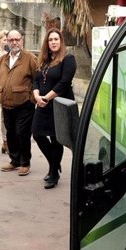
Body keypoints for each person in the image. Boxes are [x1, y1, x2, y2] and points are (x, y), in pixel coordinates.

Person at [32, 28, 77, 189]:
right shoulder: (43, 59)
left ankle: (53, 173)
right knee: (37, 134)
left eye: (56, 39)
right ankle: (54, 165)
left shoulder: (68, 58)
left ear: (61, 41)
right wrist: (37, 96)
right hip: (42, 103)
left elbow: (64, 82)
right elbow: (36, 80)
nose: (53, 42)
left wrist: (47, 97)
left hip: (59, 105)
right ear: (47, 42)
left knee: (56, 139)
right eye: (50, 40)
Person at [0, 29, 38, 176]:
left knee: (22, 133)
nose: (14, 42)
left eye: (17, 39)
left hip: (24, 104)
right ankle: (15, 160)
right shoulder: (2, 60)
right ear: (7, 41)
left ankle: (25, 162)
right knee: (10, 133)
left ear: (22, 40)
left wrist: (32, 98)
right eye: (11, 40)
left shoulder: (30, 58)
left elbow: (37, 80)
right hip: (6, 104)